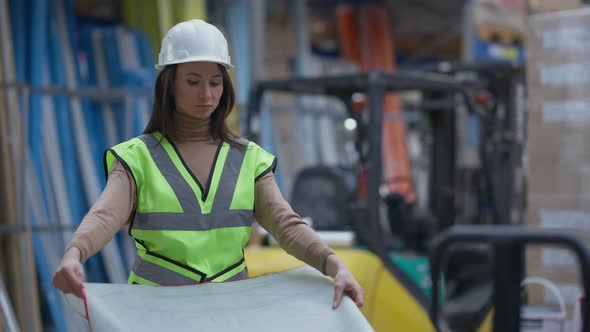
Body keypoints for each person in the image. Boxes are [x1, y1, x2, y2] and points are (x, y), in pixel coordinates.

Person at [52, 19, 363, 310]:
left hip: (228, 313)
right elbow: (104, 215)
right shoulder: (137, 158)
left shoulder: (249, 159)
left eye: (215, 82)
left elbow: (286, 225)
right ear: (169, 84)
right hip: (154, 314)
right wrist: (74, 254)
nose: (207, 93)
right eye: (193, 81)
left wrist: (335, 266)